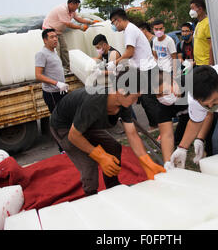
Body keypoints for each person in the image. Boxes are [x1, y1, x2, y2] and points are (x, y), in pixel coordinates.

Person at [49, 66, 165, 196]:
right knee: (89, 165)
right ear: (121, 91)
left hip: (85, 123)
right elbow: (74, 136)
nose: (136, 101)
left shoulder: (123, 103)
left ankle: (113, 187)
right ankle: (91, 195)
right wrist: (100, 156)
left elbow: (132, 134)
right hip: (64, 126)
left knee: (113, 147)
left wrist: (147, 163)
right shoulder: (95, 101)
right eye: (135, 96)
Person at [153, 70, 215, 169]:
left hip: (213, 108)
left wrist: (200, 139)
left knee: (215, 141)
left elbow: (208, 114)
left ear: (173, 82)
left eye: (165, 92)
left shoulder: (192, 84)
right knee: (178, 140)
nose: (163, 97)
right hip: (187, 117)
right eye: (158, 95)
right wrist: (167, 162)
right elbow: (166, 135)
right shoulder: (162, 105)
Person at [109, 8, 159, 130]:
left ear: (118, 20)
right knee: (145, 100)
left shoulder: (130, 30)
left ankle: (157, 127)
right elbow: (133, 54)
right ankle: (154, 126)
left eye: (113, 23)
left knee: (149, 101)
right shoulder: (129, 30)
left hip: (147, 69)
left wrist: (115, 62)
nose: (113, 26)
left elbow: (130, 52)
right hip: (142, 69)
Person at [42, 0, 98, 71]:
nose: (76, 8)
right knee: (56, 49)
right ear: (71, 4)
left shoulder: (72, 11)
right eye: (76, 6)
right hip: (49, 30)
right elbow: (68, 24)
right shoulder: (62, 9)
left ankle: (67, 67)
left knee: (64, 48)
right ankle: (58, 69)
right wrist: (80, 28)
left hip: (58, 31)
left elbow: (78, 19)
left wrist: (91, 22)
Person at [35, 28, 69, 114]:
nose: (55, 39)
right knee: (58, 118)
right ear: (45, 40)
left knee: (66, 116)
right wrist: (56, 83)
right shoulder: (42, 54)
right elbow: (38, 75)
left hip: (61, 90)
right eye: (52, 37)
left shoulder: (54, 52)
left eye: (56, 37)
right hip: (52, 93)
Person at [190, 0, 214, 66]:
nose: (191, 11)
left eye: (192, 8)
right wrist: (194, 62)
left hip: (206, 64)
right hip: (198, 63)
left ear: (200, 9)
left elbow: (211, 45)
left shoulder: (207, 23)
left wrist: (211, 64)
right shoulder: (199, 23)